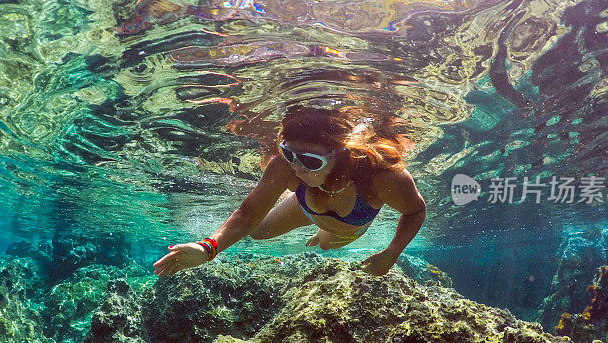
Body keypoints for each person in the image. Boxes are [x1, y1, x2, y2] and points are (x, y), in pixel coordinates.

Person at [153, 105, 426, 277]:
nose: (295, 168)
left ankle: (322, 230)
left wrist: (392, 253)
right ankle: (307, 210)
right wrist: (207, 248)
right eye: (288, 153)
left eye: (310, 160)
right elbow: (248, 214)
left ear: (341, 156)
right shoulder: (286, 165)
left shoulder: (380, 176)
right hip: (309, 205)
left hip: (348, 225)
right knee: (257, 231)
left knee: (327, 243)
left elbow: (415, 210)